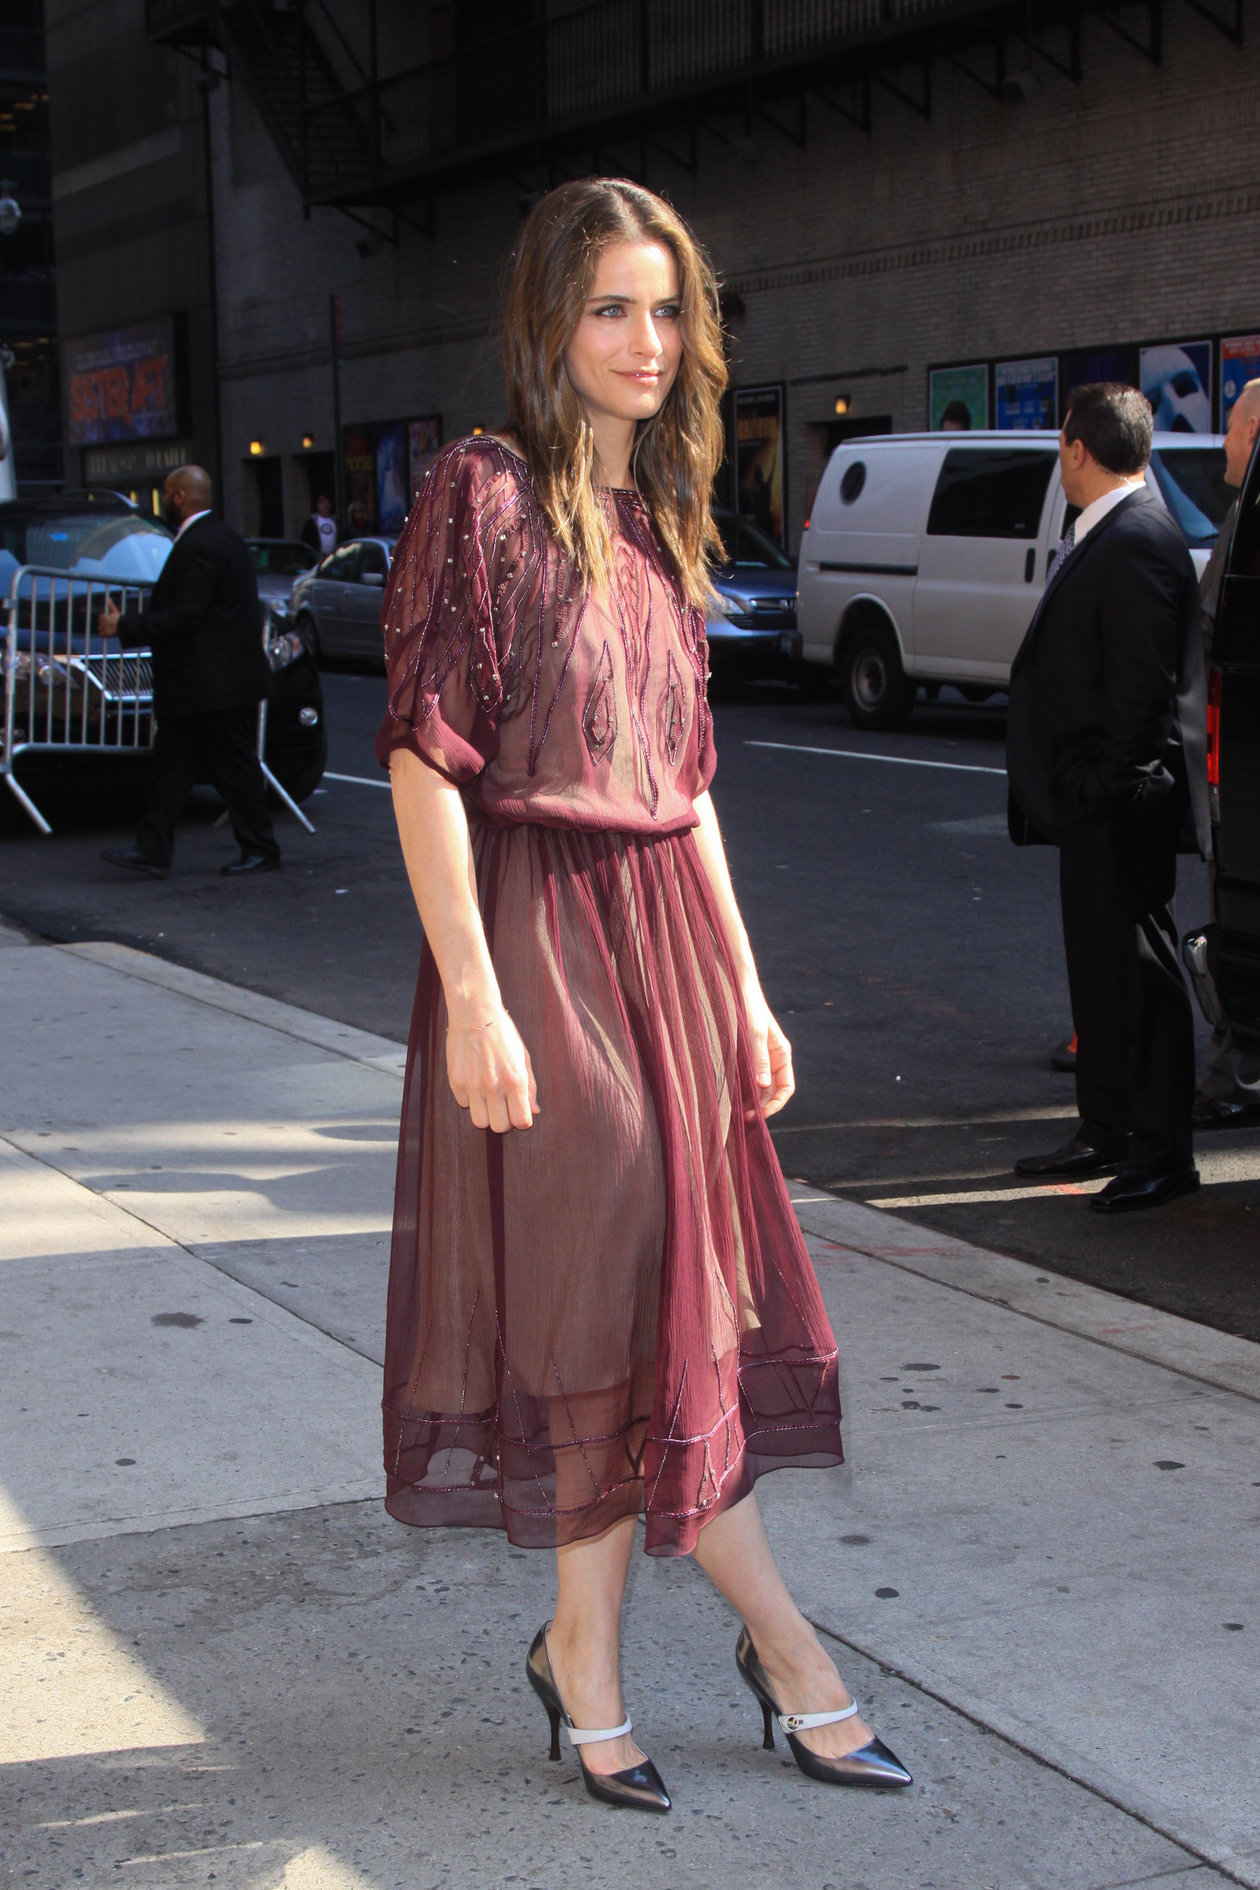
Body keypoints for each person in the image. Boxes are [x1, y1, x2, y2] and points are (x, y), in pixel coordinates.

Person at [375, 177, 911, 1816]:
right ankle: (786, 1651)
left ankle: (589, 1656)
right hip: (542, 936)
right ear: (550, 319)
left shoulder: (668, 518)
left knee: (658, 1316)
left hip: (669, 945)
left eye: (668, 308)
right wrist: (475, 997)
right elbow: (424, 759)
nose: (646, 339)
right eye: (611, 306)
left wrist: (745, 986)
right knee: (613, 1301)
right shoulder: (482, 494)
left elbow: (688, 788)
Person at [1007, 384, 1209, 1212]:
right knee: (1099, 971)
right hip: (1095, 799)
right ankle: (1108, 1127)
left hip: (1119, 802)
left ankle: (1162, 1152)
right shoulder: (1113, 530)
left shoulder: (1136, 538)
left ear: (1077, 449)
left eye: (1061, 444)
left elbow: (1141, 690)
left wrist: (1102, 785)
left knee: (1141, 979)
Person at [98, 465, 281, 879]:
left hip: (210, 683)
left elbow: (186, 615)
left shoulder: (198, 545)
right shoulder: (225, 537)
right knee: (174, 767)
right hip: (211, 682)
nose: (163, 501)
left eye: (166, 493)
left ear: (180, 496)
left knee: (230, 767)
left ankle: (259, 847)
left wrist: (123, 626)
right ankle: (153, 848)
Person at [1192, 377, 1260, 1130]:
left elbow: (1210, 636)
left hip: (1239, 769)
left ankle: (1236, 1071)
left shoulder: (1247, 519)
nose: (1227, 447)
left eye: (1236, 428)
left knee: (1236, 921)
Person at [300, 494, 338, 559]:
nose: (325, 506)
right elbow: (305, 540)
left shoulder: (336, 521)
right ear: (318, 506)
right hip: (316, 557)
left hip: (334, 557)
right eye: (322, 503)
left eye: (327, 504)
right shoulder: (312, 521)